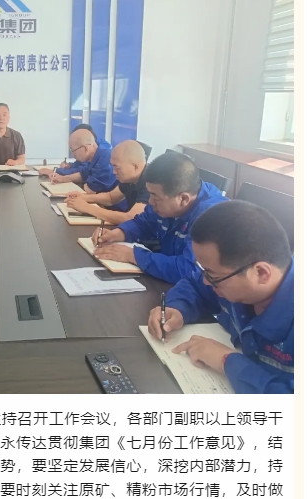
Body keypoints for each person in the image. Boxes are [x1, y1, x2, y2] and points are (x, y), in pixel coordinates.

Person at [147, 200, 293, 394]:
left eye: (213, 276)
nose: (206, 281)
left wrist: (226, 360)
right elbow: (194, 285)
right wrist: (177, 308)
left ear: (261, 273)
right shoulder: (233, 279)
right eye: (204, 271)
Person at [93, 151, 227, 283]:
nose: (150, 201)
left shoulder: (211, 218)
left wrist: (133, 255)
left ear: (183, 199)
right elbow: (144, 222)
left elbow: (190, 270)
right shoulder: (166, 200)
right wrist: (118, 233)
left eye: (156, 197)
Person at [64, 139, 150, 224]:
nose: (114, 172)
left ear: (135, 166)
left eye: (117, 167)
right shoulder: (130, 178)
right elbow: (111, 198)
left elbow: (131, 218)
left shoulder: (150, 182)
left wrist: (87, 208)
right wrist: (83, 197)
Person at [45, 128, 117, 194]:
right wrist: (62, 179)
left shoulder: (106, 159)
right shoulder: (93, 157)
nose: (72, 154)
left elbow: (89, 190)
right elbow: (82, 174)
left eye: (73, 150)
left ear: (86, 148)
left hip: (108, 204)